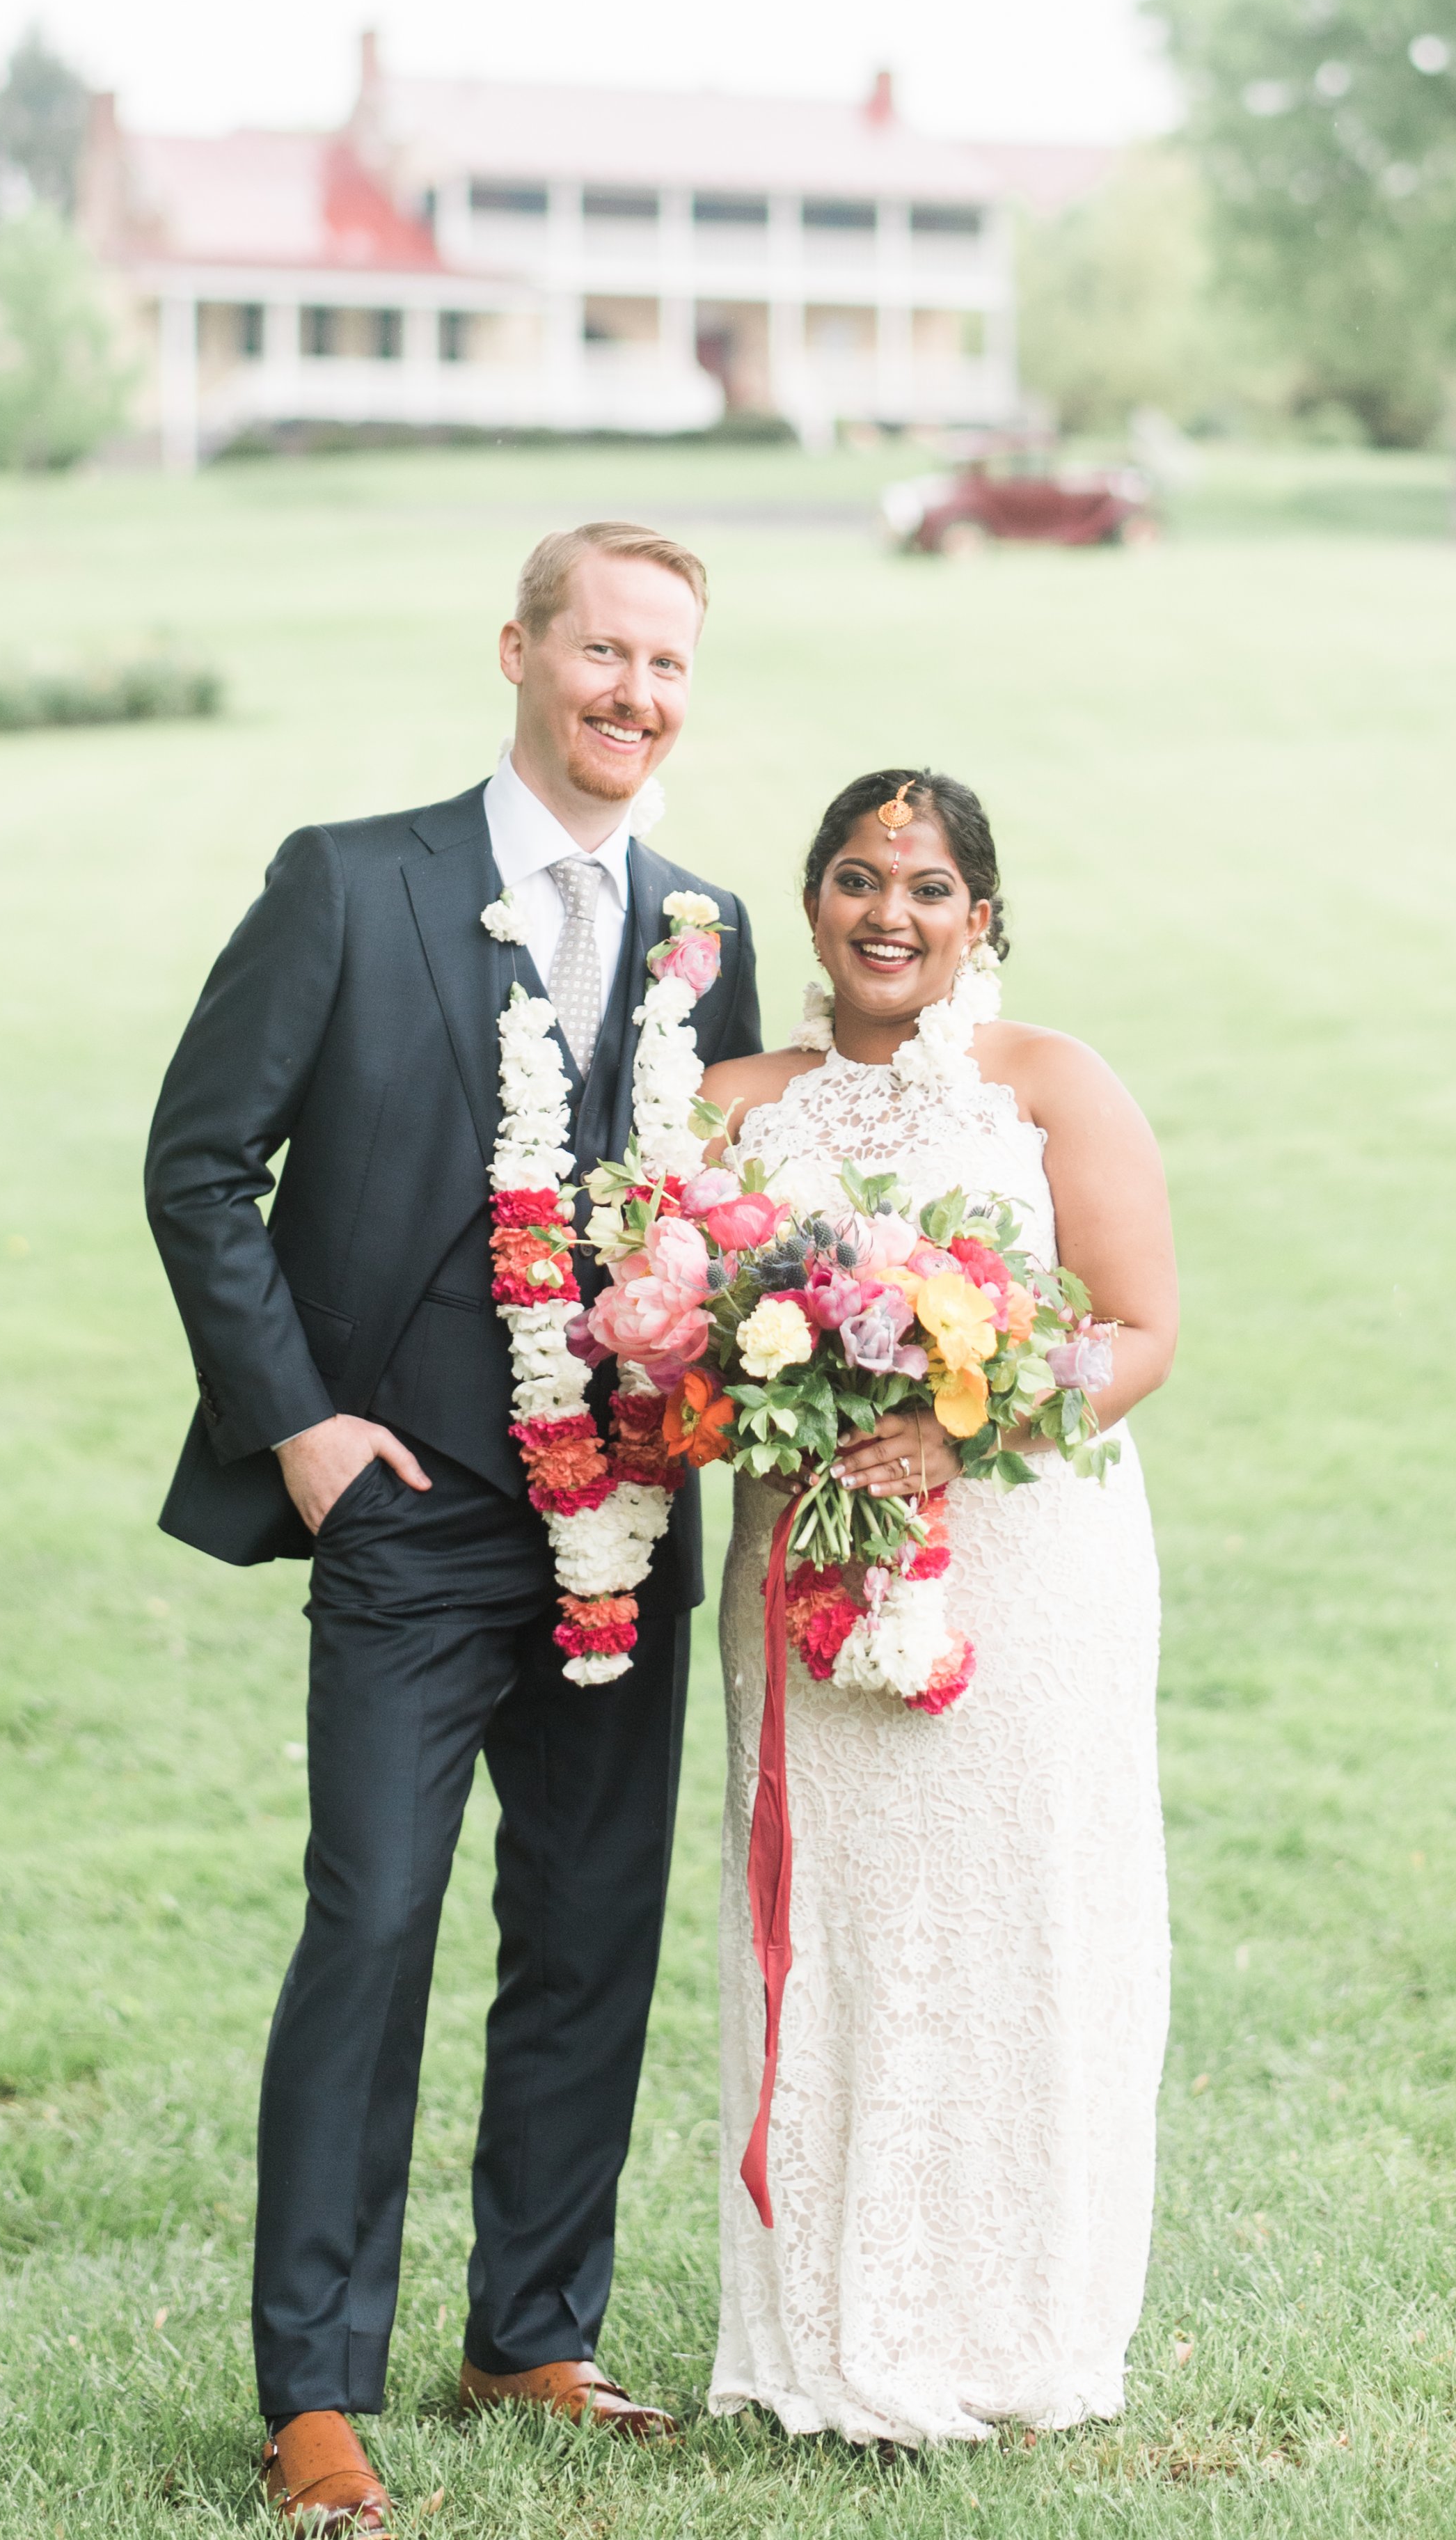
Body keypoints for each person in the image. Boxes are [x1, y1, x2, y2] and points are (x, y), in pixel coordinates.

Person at [144, 523, 759, 2530]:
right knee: (374, 1927)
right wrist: (301, 1427)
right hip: (404, 1516)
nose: (634, 697)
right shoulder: (350, 878)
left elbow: (719, 1227)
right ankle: (312, 2392)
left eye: (668, 666)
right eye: (603, 652)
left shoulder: (703, 926)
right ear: (518, 650)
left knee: (585, 1941)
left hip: (621, 1529)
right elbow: (201, 1163)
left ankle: (531, 2333)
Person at [698, 768, 1175, 2449]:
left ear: (982, 915)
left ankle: (1015, 2311)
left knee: (1015, 1914)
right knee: (842, 1925)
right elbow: (672, 1321)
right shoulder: (734, 1100)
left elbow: (1138, 1327)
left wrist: (962, 1418)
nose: (888, 912)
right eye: (853, 876)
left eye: (927, 885)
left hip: (1028, 1564)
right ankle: (828, 2326)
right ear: (813, 899)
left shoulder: (1048, 1082)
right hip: (803, 1563)